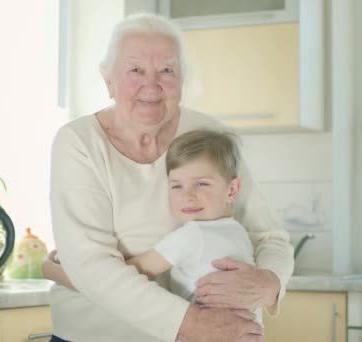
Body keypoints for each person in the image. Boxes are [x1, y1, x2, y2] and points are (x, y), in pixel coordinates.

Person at [46, 13, 293, 342]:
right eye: (135, 70)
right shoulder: (78, 142)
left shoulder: (209, 135)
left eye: (167, 70)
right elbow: (92, 266)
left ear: (182, 81)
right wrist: (193, 324)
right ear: (109, 81)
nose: (152, 84)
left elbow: (270, 237)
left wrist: (270, 282)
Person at [124, 129, 262, 326]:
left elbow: (131, 271)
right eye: (176, 186)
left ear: (231, 190)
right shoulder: (238, 232)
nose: (187, 196)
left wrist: (69, 270)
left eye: (201, 184)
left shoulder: (193, 235)